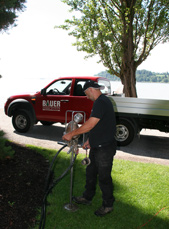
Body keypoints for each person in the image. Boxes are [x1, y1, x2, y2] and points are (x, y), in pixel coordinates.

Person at [62, 80, 116, 216]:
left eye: (86, 94)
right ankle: (87, 197)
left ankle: (108, 205)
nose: (86, 97)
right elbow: (99, 125)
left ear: (91, 90)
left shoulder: (101, 102)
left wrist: (71, 134)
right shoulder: (101, 102)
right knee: (90, 173)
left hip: (104, 148)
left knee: (104, 177)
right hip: (97, 146)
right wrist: (90, 140)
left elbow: (91, 124)